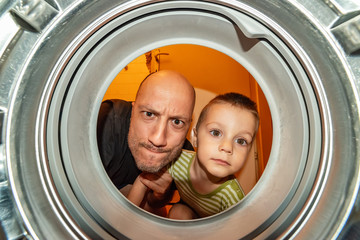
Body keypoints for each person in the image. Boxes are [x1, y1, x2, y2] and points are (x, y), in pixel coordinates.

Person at [127, 92, 259, 219]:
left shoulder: (233, 198)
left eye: (241, 141)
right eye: (216, 133)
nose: (227, 147)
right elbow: (143, 181)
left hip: (213, 228)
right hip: (186, 212)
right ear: (195, 137)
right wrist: (124, 220)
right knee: (178, 213)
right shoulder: (178, 160)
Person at [97, 70, 196, 215]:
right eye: (149, 114)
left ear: (188, 126)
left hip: (128, 196)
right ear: (133, 110)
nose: (158, 139)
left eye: (177, 122)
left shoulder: (185, 154)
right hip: (98, 195)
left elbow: (155, 203)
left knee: (158, 213)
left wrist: (160, 195)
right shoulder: (107, 123)